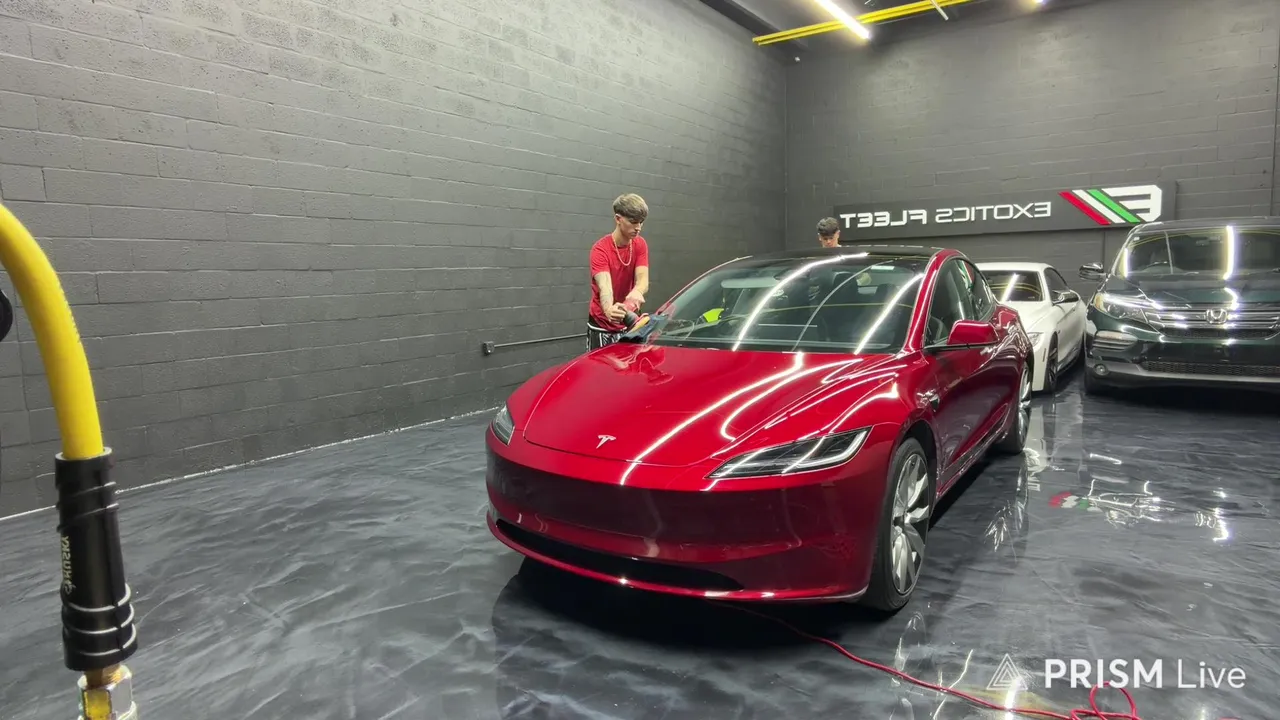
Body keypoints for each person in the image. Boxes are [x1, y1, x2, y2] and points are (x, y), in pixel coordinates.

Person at [587, 193, 650, 351]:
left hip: (629, 322)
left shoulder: (640, 244)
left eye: (641, 222)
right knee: (601, 366)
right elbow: (605, 287)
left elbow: (642, 280)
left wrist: (636, 293)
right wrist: (609, 309)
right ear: (618, 219)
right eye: (633, 222)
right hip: (602, 325)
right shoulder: (600, 249)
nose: (638, 228)